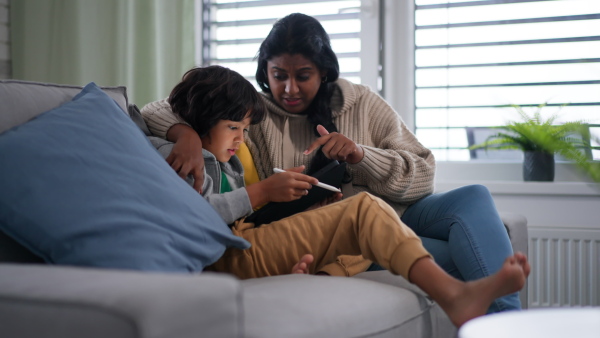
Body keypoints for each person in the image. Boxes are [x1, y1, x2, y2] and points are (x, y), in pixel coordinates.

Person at [141, 13, 523, 313]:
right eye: (278, 76)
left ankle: (507, 324)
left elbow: (423, 174)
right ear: (265, 73)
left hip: (406, 209)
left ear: (324, 71)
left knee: (474, 196)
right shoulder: (252, 114)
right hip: (352, 226)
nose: (289, 89)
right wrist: (185, 136)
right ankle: (499, 322)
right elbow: (160, 109)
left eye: (303, 76)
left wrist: (361, 155)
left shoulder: (362, 102)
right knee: (466, 252)